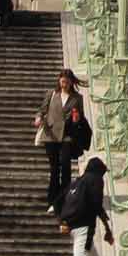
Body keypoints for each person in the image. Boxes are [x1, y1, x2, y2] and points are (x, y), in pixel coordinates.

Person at [47, 154, 114, 256]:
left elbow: (57, 201)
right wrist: (107, 229)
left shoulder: (77, 181)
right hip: (84, 226)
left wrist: (61, 221)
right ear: (99, 170)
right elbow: (96, 204)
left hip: (71, 226)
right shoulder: (96, 180)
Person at [33, 67, 92, 212]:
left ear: (71, 82)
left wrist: (76, 119)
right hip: (51, 135)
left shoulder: (77, 98)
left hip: (67, 136)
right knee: (54, 169)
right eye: (62, 82)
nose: (64, 84)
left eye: (66, 82)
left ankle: (64, 200)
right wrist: (39, 118)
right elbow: (42, 109)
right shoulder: (52, 94)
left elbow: (79, 119)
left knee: (65, 168)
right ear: (59, 81)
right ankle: (52, 200)